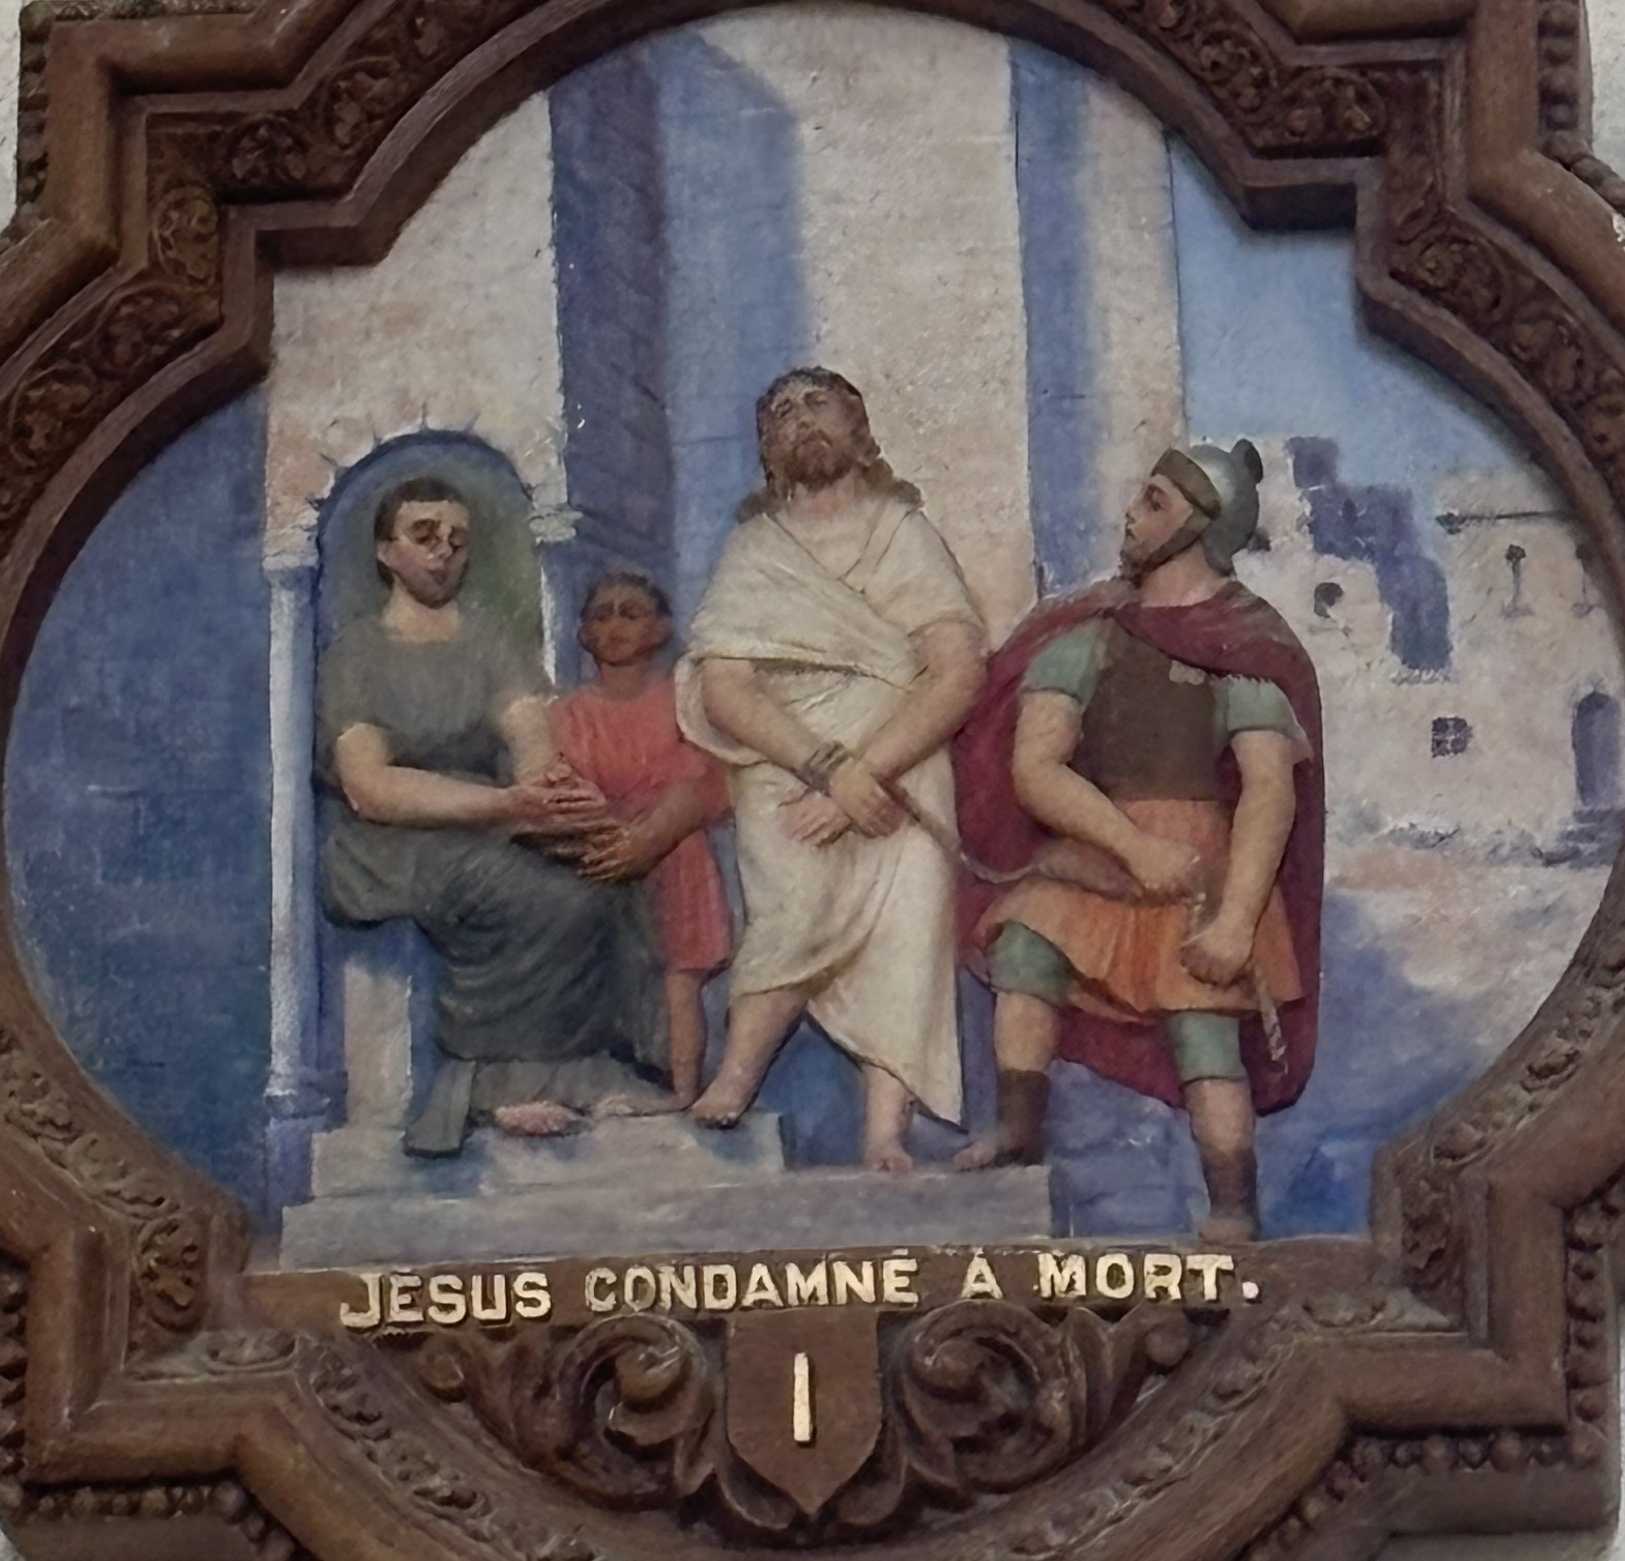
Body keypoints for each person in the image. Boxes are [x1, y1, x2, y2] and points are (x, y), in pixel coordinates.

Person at [952, 440, 1324, 1241]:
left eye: (1154, 502)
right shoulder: (1086, 637)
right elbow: (1036, 768)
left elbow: (1268, 790)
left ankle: (1232, 1204)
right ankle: (1017, 1129)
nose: (1130, 514)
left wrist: (1235, 922)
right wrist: (1128, 845)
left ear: (1199, 528)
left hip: (1201, 870)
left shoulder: (1243, 649)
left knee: (1202, 1028)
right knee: (1024, 949)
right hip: (1099, 849)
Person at [675, 367, 988, 1171]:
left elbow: (956, 671)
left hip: (899, 761)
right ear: (766, 448)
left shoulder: (901, 532)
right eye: (781, 411)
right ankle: (735, 1076)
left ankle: (883, 1128)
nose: (801, 419)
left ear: (859, 428)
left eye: (817, 404)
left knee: (907, 927)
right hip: (786, 762)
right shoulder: (755, 549)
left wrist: (863, 778)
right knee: (793, 908)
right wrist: (825, 768)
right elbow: (724, 686)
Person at [316, 476, 668, 1156]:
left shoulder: (488, 640)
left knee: (609, 866)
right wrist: (507, 805)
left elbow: (530, 736)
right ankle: (496, 1085)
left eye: (457, 540)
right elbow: (371, 787)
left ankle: (605, 1064)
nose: (443, 552)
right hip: (391, 842)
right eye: (424, 535)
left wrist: (555, 799)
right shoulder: (357, 655)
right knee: (537, 895)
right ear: (386, 551)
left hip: (488, 819)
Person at [549, 570, 733, 1108]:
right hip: (602, 857)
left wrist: (654, 830)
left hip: (677, 856)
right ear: (583, 633)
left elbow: (710, 781)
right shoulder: (569, 714)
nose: (615, 626)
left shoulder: (683, 703)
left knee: (680, 979)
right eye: (601, 615)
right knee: (606, 975)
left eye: (630, 613)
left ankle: (685, 1092)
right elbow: (565, 786)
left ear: (660, 629)